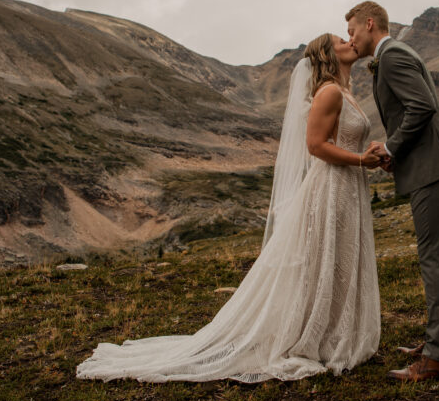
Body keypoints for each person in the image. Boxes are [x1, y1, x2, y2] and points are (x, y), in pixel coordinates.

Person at [76, 34, 383, 383]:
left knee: (339, 257)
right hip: (331, 186)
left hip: (348, 186)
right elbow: (315, 146)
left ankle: (333, 332)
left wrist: (371, 154)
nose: (349, 40)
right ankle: (316, 337)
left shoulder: (344, 92)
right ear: (329, 54)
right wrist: (361, 159)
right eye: (340, 39)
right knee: (326, 259)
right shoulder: (328, 92)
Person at [346, 1, 439, 382]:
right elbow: (415, 111)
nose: (350, 38)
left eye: (352, 31)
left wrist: (393, 147)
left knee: (434, 260)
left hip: (433, 169)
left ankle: (436, 358)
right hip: (430, 165)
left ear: (369, 24)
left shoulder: (393, 55)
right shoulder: (396, 54)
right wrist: (394, 152)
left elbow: (422, 107)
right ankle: (438, 344)